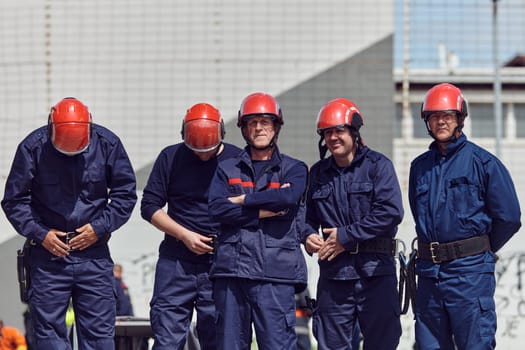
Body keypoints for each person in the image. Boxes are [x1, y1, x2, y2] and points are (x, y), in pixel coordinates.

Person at [1, 97, 137, 350]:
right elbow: (14, 200)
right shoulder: (33, 148)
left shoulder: (107, 144)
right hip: (48, 257)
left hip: (93, 255)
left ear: (90, 126)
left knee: (99, 337)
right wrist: (41, 234)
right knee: (49, 336)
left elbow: (125, 194)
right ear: (51, 127)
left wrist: (99, 228)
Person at [408, 83, 521, 350]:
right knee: (429, 346)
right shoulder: (419, 168)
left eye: (447, 115)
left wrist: (477, 249)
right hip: (428, 275)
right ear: (426, 121)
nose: (440, 121)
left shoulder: (484, 164)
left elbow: (510, 218)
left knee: (475, 345)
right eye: (434, 116)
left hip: (469, 274)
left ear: (460, 118)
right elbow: (417, 212)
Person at [208, 92, 308, 350]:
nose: (259, 128)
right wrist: (262, 211)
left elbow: (288, 198)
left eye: (265, 122)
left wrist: (243, 200)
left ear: (276, 127)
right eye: (252, 123)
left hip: (276, 275)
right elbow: (217, 209)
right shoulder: (226, 168)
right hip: (232, 273)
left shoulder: (294, 168)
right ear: (243, 128)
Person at [303, 98, 403, 350]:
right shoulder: (317, 173)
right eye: (327, 133)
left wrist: (345, 237)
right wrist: (306, 236)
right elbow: (305, 218)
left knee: (382, 344)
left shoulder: (378, 166)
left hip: (376, 274)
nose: (333, 137)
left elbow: (390, 212)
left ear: (354, 132)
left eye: (339, 131)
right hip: (334, 278)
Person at [141, 102, 242, 350]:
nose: (203, 155)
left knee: (219, 338)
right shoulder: (171, 157)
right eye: (196, 150)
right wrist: (185, 235)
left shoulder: (238, 159)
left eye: (208, 150)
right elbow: (150, 207)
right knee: (166, 339)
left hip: (222, 262)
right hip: (176, 261)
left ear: (221, 135)